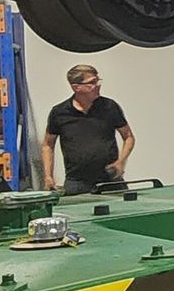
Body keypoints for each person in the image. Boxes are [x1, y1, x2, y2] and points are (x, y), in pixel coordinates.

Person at [42, 63, 135, 194]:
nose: (98, 85)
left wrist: (121, 162)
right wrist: (48, 176)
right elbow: (47, 145)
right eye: (92, 82)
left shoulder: (109, 107)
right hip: (77, 182)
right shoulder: (59, 112)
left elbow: (128, 137)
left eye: (98, 80)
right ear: (76, 87)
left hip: (110, 180)